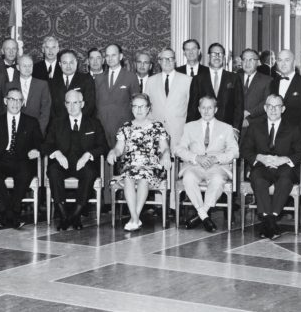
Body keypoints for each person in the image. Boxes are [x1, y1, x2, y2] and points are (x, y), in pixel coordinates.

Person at [241, 94, 301, 240]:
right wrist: (260, 157)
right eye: (270, 106)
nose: (273, 110)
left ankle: (269, 219)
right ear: (265, 108)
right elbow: (245, 150)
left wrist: (284, 159)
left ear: (283, 109)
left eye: (277, 106)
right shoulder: (255, 126)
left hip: (284, 168)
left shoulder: (293, 128)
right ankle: (271, 221)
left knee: (285, 180)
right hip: (261, 167)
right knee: (258, 179)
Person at [41, 90, 108, 230]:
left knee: (90, 173)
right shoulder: (57, 122)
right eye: (68, 103)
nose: (72, 107)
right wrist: (57, 153)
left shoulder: (93, 123)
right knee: (53, 171)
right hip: (62, 163)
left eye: (76, 103)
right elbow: (46, 145)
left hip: (83, 164)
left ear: (82, 104)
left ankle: (76, 214)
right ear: (65, 105)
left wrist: (88, 155)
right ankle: (64, 214)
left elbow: (103, 147)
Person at [106, 94, 171, 231]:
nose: (138, 110)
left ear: (148, 108)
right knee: (129, 176)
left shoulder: (157, 126)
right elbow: (119, 148)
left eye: (142, 106)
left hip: (151, 165)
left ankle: (134, 218)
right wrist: (113, 152)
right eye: (135, 106)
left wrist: (165, 155)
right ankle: (135, 218)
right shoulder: (126, 127)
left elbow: (165, 148)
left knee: (142, 178)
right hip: (131, 165)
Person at [0, 88, 43, 228]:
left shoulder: (31, 122)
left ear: (23, 102)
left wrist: (37, 150)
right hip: (0, 159)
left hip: (22, 160)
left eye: (19, 100)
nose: (15, 103)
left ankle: (8, 213)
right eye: (12, 99)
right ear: (5, 101)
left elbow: (40, 143)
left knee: (25, 173)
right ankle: (11, 213)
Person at [175, 96, 239, 232]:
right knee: (188, 178)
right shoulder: (189, 127)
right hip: (194, 166)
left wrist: (217, 158)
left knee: (217, 180)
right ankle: (204, 216)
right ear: (198, 109)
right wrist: (196, 157)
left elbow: (235, 151)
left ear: (215, 109)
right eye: (203, 107)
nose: (206, 111)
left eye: (210, 107)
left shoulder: (226, 128)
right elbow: (179, 149)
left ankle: (200, 215)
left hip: (217, 167)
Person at [187, 43, 243, 136]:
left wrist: (236, 129)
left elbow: (239, 106)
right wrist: (190, 130)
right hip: (203, 130)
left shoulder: (234, 78)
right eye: (214, 54)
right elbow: (192, 108)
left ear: (224, 57)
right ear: (208, 56)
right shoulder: (198, 79)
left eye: (220, 54)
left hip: (227, 130)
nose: (217, 56)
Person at [144, 48, 191, 151]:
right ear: (159, 61)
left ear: (175, 61)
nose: (168, 61)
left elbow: (190, 108)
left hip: (179, 132)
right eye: (164, 59)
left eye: (171, 58)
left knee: (177, 164)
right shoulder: (151, 81)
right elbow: (146, 108)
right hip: (156, 133)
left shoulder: (187, 80)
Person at [95, 44, 140, 149]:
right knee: (104, 162)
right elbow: (96, 104)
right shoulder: (98, 78)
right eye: (107, 56)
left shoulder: (131, 77)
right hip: (103, 129)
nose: (110, 58)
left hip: (124, 129)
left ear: (120, 56)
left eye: (113, 55)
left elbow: (136, 104)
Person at [6, 54, 51, 135]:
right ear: (18, 67)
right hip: (14, 131)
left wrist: (38, 130)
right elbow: (6, 110)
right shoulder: (9, 85)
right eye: (24, 66)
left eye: (30, 65)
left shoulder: (42, 85)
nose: (27, 68)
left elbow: (46, 110)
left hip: (37, 131)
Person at [49, 49, 96, 120]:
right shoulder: (52, 82)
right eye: (65, 63)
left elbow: (89, 105)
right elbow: (50, 108)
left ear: (76, 63)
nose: (68, 66)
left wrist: (75, 121)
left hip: (81, 124)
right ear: (60, 64)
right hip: (58, 125)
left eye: (71, 62)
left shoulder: (86, 79)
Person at [269, 49, 301, 125]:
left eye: (287, 60)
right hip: (277, 131)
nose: (283, 64)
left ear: (294, 62)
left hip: (298, 132)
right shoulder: (273, 83)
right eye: (280, 60)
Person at [239, 49, 271, 130]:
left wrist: (249, 113)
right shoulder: (234, 78)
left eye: (251, 60)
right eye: (244, 59)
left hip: (257, 126)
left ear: (257, 62)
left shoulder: (267, 80)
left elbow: (267, 101)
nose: (247, 63)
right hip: (236, 126)